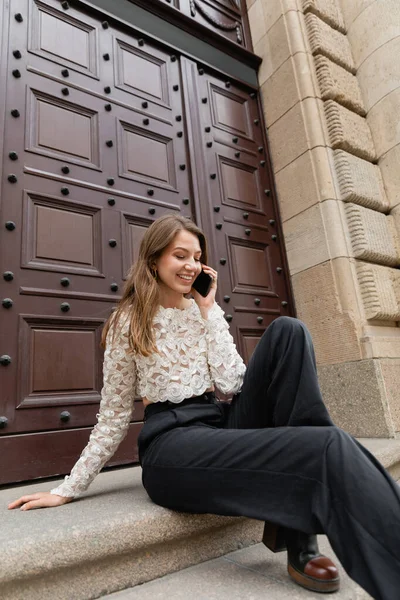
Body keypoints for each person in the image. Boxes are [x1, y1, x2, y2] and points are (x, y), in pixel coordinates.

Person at [8, 214, 400, 599]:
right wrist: (68, 489)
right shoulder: (127, 323)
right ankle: (301, 537)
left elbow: (232, 383)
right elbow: (112, 418)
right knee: (326, 446)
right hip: (173, 445)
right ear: (154, 259)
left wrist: (210, 312)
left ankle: (299, 510)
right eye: (180, 255)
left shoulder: (202, 313)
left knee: (289, 331)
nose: (191, 265)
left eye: (196, 256)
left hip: (220, 422)